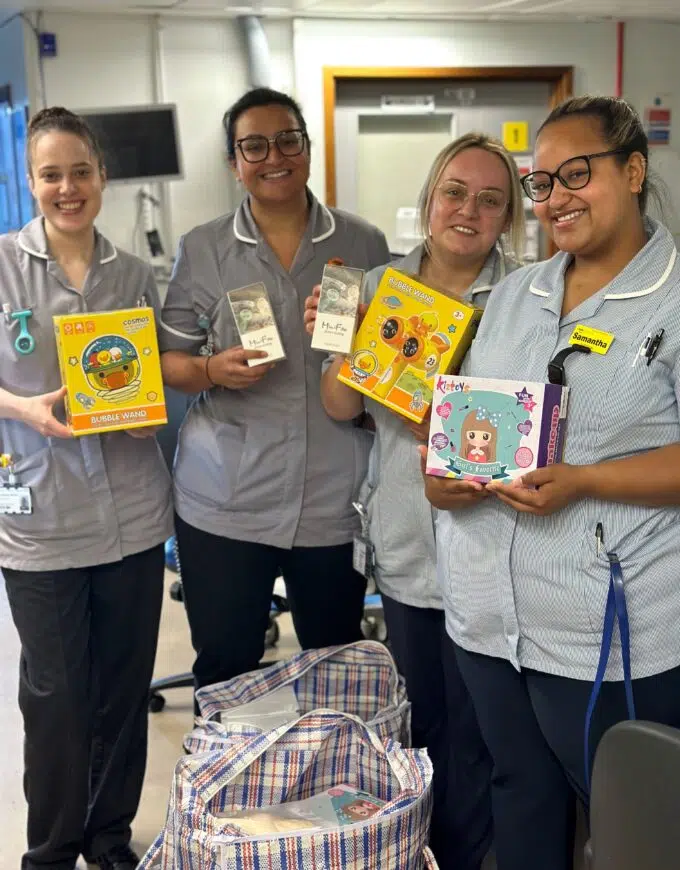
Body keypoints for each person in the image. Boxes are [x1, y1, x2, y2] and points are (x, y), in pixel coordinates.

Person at [423, 95, 680, 870]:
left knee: (631, 822)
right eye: (542, 183)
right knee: (520, 796)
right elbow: (460, 428)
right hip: (488, 623)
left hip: (607, 632)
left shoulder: (671, 298)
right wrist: (443, 476)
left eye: (578, 173)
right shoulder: (510, 295)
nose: (557, 197)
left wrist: (586, 481)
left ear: (633, 172)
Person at [304, 132, 526, 869]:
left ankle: (470, 854)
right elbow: (338, 406)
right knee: (426, 720)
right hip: (407, 535)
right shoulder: (369, 285)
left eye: (491, 199)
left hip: (500, 545)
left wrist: (431, 407)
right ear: (429, 200)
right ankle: (421, 849)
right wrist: (351, 347)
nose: (469, 210)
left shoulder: (530, 296)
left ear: (509, 216)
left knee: (485, 729)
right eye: (455, 192)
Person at [159, 87, 390, 692]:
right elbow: (169, 361)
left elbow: (392, 357)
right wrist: (213, 371)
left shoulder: (362, 242)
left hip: (335, 502)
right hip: (226, 498)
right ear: (234, 162)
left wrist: (366, 340)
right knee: (226, 673)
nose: (274, 156)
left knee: (336, 677)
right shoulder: (204, 247)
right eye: (253, 145)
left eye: (288, 139)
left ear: (308, 149)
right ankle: (232, 787)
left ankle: (331, 788)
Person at [0, 108, 172, 870]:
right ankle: (51, 849)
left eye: (80, 172)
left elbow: (147, 377)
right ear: (30, 181)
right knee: (56, 700)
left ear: (102, 178)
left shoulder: (134, 273)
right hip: (40, 521)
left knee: (121, 692)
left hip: (132, 516)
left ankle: (108, 838)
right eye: (50, 174)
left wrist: (145, 417)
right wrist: (22, 408)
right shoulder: (2, 265)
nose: (67, 188)